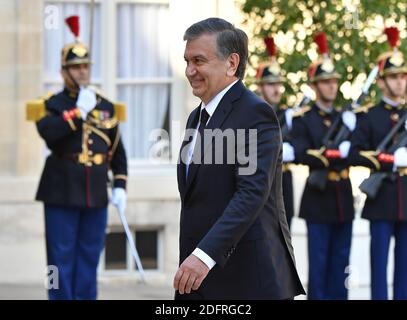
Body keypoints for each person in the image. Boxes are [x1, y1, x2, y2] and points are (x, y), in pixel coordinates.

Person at [173, 17, 305, 300]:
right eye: (187, 61)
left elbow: (251, 193)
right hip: (201, 276)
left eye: (198, 61)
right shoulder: (196, 117)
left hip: (246, 279)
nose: (189, 71)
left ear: (232, 64)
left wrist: (204, 256)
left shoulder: (255, 113)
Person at [26, 15, 127, 300]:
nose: (82, 72)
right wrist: (78, 114)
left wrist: (120, 185)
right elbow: (49, 133)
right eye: (75, 67)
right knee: (58, 260)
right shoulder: (50, 105)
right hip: (60, 190)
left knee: (90, 257)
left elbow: (118, 151)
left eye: (85, 67)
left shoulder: (106, 106)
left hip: (95, 193)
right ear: (63, 72)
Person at [291, 32, 355, 299]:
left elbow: (357, 152)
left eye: (333, 82)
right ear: (315, 86)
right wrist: (334, 153)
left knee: (341, 266)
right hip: (318, 198)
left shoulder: (346, 117)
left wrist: (346, 148)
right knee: (318, 266)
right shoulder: (305, 119)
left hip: (343, 196)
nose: (331, 86)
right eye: (325, 82)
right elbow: (302, 153)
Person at [348, 26, 407, 300]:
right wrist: (389, 160)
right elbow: (355, 152)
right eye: (393, 77)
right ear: (381, 82)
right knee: (379, 266)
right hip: (381, 196)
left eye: (403, 76)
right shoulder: (369, 115)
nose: (399, 82)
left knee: (405, 269)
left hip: (406, 199)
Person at [256, 36, 295, 228]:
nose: (277, 90)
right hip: (261, 180)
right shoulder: (253, 114)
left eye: (279, 84)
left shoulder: (288, 115)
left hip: (283, 179)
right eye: (271, 85)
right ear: (260, 86)